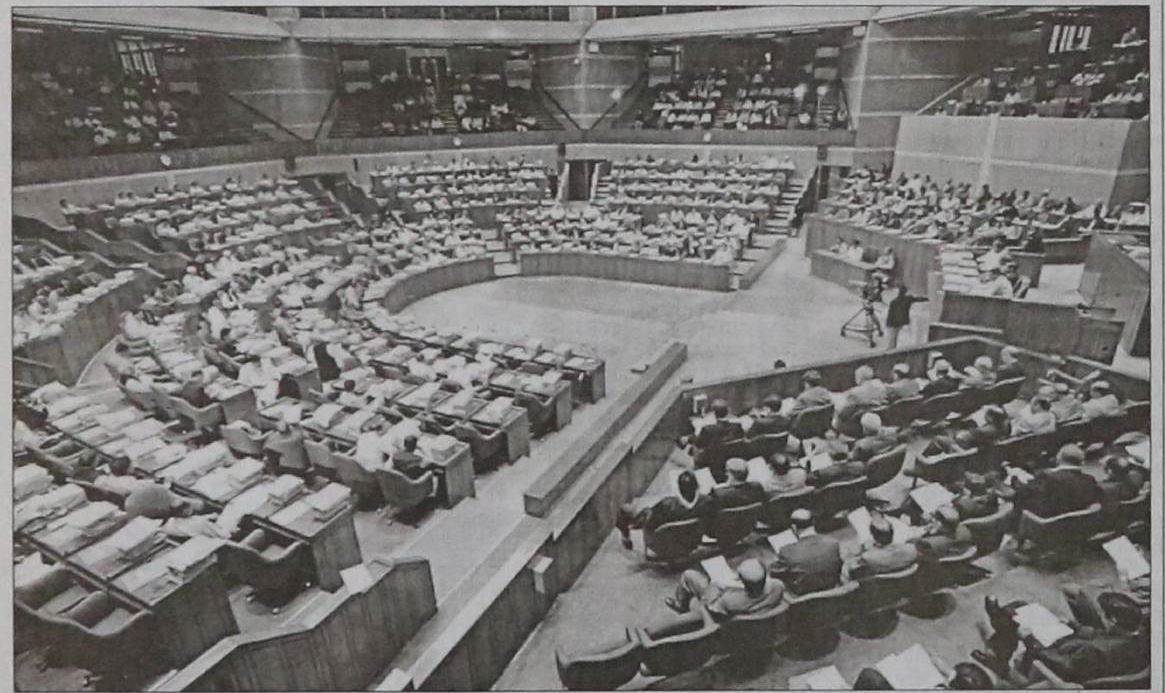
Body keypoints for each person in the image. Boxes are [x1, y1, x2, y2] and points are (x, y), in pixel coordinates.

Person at [665, 558, 785, 620]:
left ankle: (682, 607)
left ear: (742, 580)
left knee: (689, 575)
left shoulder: (728, 601)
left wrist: (716, 585)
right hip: (757, 612)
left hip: (721, 607)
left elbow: (712, 607)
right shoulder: (778, 586)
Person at [616, 470, 708, 549]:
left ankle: (626, 538)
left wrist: (645, 513)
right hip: (690, 543)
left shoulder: (666, 505)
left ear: (679, 489)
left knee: (625, 510)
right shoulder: (706, 502)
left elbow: (649, 523)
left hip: (662, 546)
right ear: (697, 487)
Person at [1012, 444, 1102, 519]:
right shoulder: (1089, 480)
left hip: (1048, 527)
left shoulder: (1048, 478)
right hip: (1079, 527)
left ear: (1058, 459)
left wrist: (1019, 486)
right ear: (1082, 462)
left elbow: (1024, 496)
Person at [768, 509, 842, 595]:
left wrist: (776, 560)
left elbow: (773, 572)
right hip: (832, 591)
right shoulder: (833, 543)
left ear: (794, 527)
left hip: (802, 596)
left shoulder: (786, 551)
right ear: (813, 522)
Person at [844, 516, 919, 580]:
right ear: (893, 532)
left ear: (873, 536)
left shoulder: (868, 557)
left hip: (883, 588)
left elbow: (851, 573)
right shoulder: (912, 549)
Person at [884, 285, 926, 349]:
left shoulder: (894, 302)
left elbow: (890, 313)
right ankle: (894, 349)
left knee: (893, 338)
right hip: (902, 321)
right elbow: (918, 299)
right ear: (905, 292)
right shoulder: (908, 299)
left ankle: (892, 349)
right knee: (899, 337)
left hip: (894, 322)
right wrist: (927, 299)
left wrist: (888, 323)